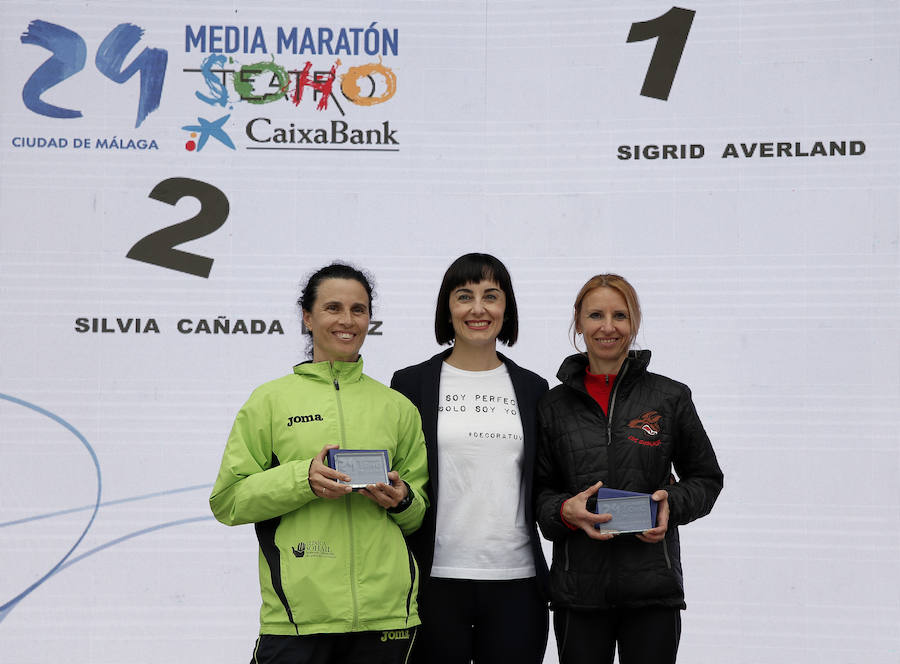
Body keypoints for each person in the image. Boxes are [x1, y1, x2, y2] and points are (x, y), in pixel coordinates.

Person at [209, 263, 429, 664]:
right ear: (307, 317)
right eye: (333, 308)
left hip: (386, 619)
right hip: (297, 622)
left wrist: (401, 499)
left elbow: (417, 516)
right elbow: (228, 500)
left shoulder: (397, 407)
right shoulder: (269, 401)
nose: (347, 320)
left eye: (358, 309)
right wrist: (302, 480)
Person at [535, 273, 723, 664]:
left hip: (653, 592)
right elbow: (539, 492)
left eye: (619, 315)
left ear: (634, 322)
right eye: (595, 315)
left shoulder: (670, 397)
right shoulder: (552, 406)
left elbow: (706, 479)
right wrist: (564, 511)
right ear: (578, 322)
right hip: (578, 594)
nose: (608, 327)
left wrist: (671, 503)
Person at [390, 253, 550, 664]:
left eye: (490, 296)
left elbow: (546, 479)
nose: (478, 309)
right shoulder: (409, 384)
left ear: (506, 309)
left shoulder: (534, 388)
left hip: (518, 582)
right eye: (464, 296)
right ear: (448, 309)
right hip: (432, 581)